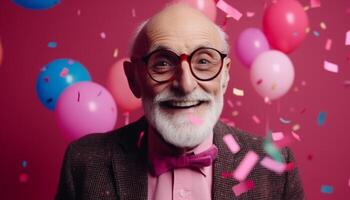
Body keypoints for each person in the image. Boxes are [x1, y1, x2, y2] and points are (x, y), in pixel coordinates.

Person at [55, 3, 304, 200]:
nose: (185, 85)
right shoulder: (84, 161)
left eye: (204, 62)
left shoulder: (273, 169)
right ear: (134, 79)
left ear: (225, 76)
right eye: (163, 63)